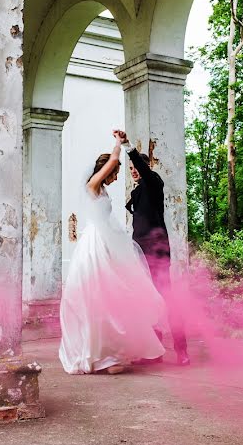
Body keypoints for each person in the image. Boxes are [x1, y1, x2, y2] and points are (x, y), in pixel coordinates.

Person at [58, 132, 166, 375]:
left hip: (108, 242)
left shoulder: (102, 190)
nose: (117, 177)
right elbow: (113, 160)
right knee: (96, 295)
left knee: (112, 296)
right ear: (106, 172)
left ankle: (111, 353)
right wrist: (119, 143)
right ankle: (100, 356)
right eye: (116, 173)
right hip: (95, 245)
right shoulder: (92, 186)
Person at [116, 130, 190, 366]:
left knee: (166, 300)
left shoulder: (154, 181)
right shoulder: (137, 191)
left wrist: (127, 146)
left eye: (136, 167)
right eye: (131, 169)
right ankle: (154, 352)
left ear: (146, 167)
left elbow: (143, 168)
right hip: (139, 253)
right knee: (146, 301)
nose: (134, 170)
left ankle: (182, 351)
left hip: (157, 253)